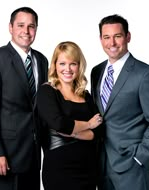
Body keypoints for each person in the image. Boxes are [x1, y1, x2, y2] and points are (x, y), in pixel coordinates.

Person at [90, 14, 149, 190]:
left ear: (128, 37)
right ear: (100, 39)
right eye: (106, 37)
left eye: (117, 36)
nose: (112, 43)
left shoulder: (145, 74)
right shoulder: (96, 72)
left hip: (131, 166)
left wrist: (140, 157)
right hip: (101, 164)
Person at [0, 7, 48, 190]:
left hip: (32, 158)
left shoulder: (42, 60)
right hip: (4, 158)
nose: (26, 31)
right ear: (10, 27)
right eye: (21, 25)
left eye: (31, 26)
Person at [36, 41, 103, 190]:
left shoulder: (85, 95)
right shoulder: (47, 91)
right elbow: (59, 124)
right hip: (60, 168)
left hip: (88, 167)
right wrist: (88, 125)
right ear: (55, 65)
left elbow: (100, 130)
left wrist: (73, 133)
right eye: (62, 64)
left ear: (79, 66)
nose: (67, 69)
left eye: (73, 64)